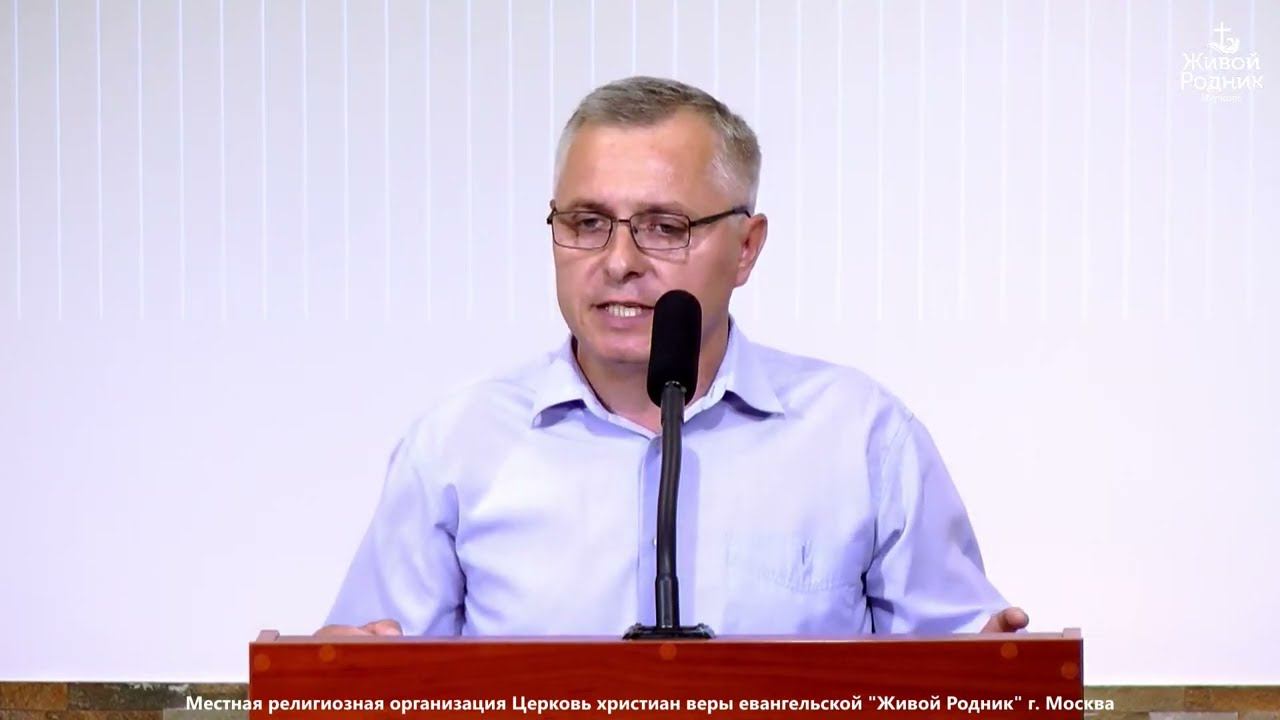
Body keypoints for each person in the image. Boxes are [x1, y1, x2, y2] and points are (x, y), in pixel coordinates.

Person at [319, 76, 1028, 638]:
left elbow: (960, 663)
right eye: (586, 222)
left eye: (664, 227)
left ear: (746, 248)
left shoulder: (860, 436)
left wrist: (993, 670)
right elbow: (377, 674)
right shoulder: (457, 446)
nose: (618, 261)